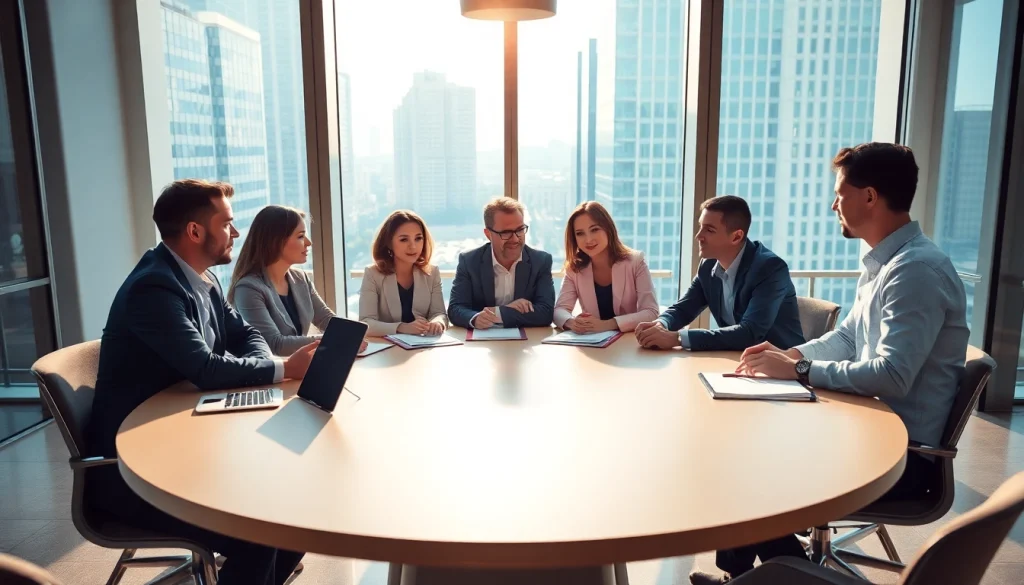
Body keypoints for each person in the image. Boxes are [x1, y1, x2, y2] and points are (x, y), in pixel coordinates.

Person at [691, 143, 970, 584]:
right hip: (864, 429)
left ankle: (782, 576)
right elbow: (847, 336)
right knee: (746, 451)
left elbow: (893, 376)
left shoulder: (915, 271)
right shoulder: (885, 264)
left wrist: (798, 372)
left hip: (899, 458)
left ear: (870, 197)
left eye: (840, 193)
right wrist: (792, 355)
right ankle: (742, 576)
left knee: (749, 473)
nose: (833, 204)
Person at [88, 180, 314, 585]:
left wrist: (265, 366)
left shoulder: (201, 280)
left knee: (295, 502)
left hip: (187, 444)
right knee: (263, 531)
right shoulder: (154, 287)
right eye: (227, 223)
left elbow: (248, 335)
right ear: (195, 232)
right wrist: (284, 370)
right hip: (137, 474)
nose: (236, 232)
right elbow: (204, 367)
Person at [635, 195, 804, 352]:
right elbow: (684, 309)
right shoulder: (708, 265)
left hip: (781, 368)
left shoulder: (770, 268)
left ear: (736, 237)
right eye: (700, 227)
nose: (698, 236)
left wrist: (678, 338)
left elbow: (750, 332)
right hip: (736, 361)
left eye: (709, 230)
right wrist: (660, 325)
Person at [228, 205, 366, 356]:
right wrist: (335, 340)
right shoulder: (248, 289)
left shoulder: (300, 278)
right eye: (300, 236)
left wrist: (354, 334)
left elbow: (326, 319)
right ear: (276, 241)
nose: (308, 242)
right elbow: (275, 344)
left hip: (300, 368)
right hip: (271, 373)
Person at [448, 197, 555, 329]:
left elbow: (546, 313)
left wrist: (498, 312)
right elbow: (455, 309)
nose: (515, 238)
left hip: (527, 342)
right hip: (481, 342)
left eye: (520, 230)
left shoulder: (540, 261)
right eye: (506, 232)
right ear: (488, 234)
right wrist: (477, 318)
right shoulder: (469, 261)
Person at [553, 201, 659, 333]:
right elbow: (559, 310)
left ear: (608, 228)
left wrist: (607, 325)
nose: (588, 240)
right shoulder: (575, 269)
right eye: (580, 233)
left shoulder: (636, 262)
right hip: (594, 344)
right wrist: (572, 323)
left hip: (629, 341)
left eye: (595, 230)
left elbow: (651, 312)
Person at [358, 210, 449, 336]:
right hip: (387, 348)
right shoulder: (372, 274)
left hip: (423, 346)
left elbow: (439, 314)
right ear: (389, 243)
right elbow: (365, 322)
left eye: (418, 238)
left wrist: (437, 323)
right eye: (404, 240)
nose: (413, 246)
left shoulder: (432, 273)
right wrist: (402, 327)